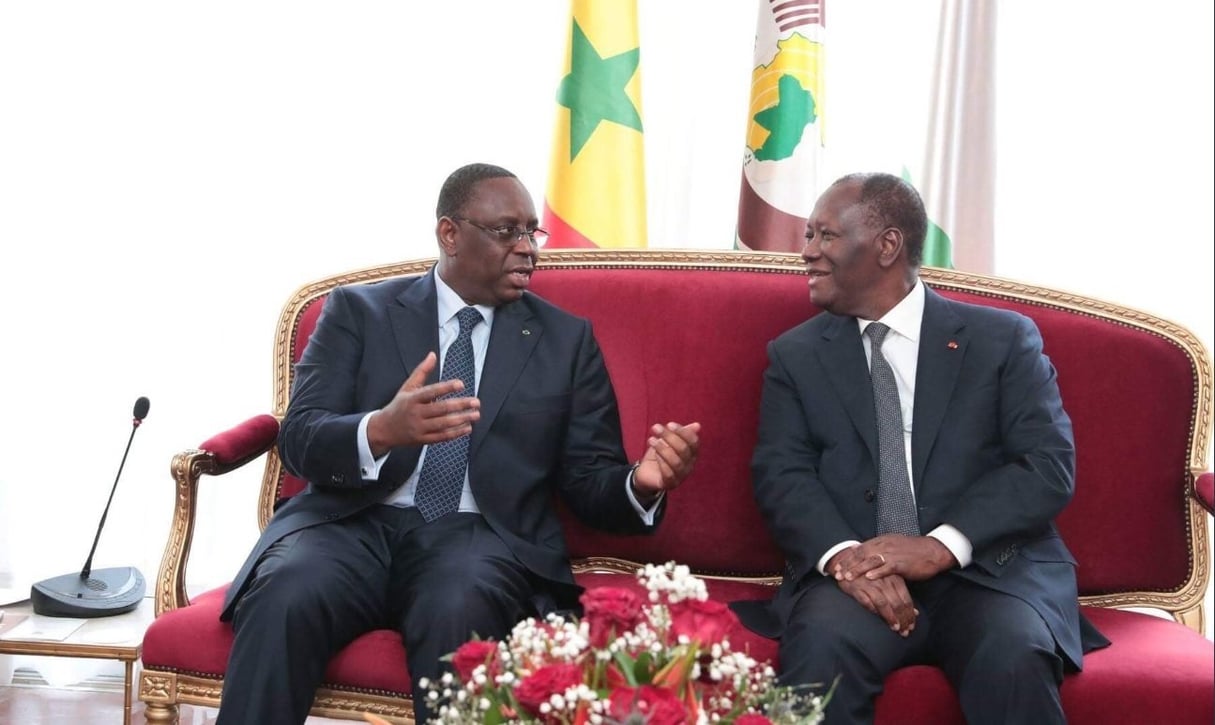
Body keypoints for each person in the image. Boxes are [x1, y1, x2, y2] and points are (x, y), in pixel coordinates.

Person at [215, 162, 701, 724]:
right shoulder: (358, 312)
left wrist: (641, 483)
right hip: (350, 525)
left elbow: (588, 478)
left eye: (532, 232)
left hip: (475, 536)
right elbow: (298, 439)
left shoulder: (565, 341)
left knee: (458, 604)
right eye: (507, 232)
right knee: (287, 592)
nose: (527, 248)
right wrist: (380, 431)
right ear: (450, 233)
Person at [733, 172, 1107, 724]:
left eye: (825, 236)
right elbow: (782, 474)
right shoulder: (796, 355)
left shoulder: (1002, 341)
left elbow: (1044, 466)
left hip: (987, 574)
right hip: (856, 579)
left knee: (1013, 654)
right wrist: (846, 559)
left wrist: (939, 546)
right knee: (818, 652)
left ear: (887, 245)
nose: (806, 253)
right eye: (808, 236)